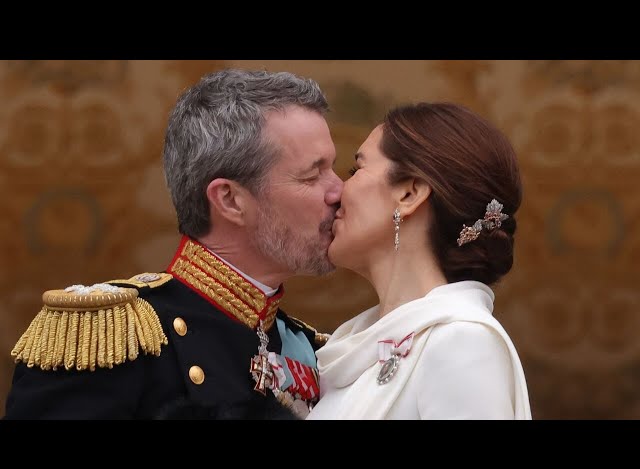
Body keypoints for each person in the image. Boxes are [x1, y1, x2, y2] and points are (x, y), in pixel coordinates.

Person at [4, 69, 342, 420]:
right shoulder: (111, 338)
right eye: (312, 175)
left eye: (334, 168)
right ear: (229, 200)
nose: (339, 191)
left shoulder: (310, 348)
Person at [306, 102, 532, 420]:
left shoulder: (461, 341)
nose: (337, 192)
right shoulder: (360, 347)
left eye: (356, 170)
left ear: (410, 194)